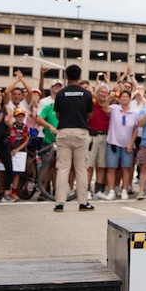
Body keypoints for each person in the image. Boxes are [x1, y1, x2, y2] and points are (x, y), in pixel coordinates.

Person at [52, 65, 94, 212]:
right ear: (79, 76)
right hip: (80, 131)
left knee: (63, 168)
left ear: (67, 76)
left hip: (64, 131)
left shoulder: (61, 94)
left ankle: (59, 202)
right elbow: (90, 115)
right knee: (81, 168)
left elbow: (58, 114)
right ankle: (83, 202)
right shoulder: (86, 94)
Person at [105, 90, 139, 200]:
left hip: (127, 144)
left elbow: (136, 129)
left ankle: (124, 190)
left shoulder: (134, 113)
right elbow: (105, 108)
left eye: (127, 97)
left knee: (126, 168)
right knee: (111, 167)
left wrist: (131, 143)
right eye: (123, 97)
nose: (125, 99)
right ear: (119, 99)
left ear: (130, 99)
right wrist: (109, 98)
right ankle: (111, 191)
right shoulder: (114, 108)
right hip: (113, 142)